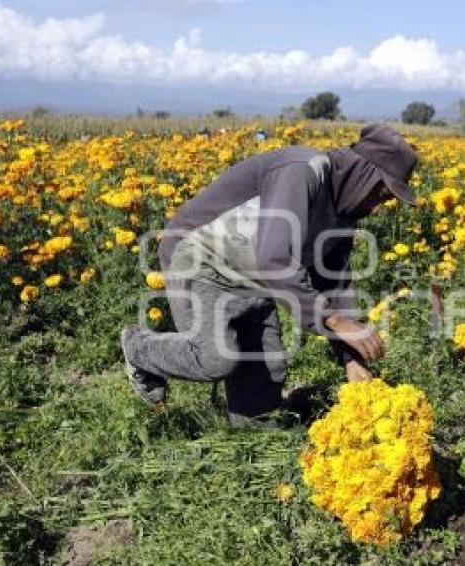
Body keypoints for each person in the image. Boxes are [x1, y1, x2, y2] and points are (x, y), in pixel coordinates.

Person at [120, 124, 418, 424]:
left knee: (262, 394)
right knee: (216, 357)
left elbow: (333, 287)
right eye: (382, 192)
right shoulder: (302, 171)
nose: (379, 206)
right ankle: (137, 348)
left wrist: (350, 358)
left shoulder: (344, 216)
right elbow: (275, 258)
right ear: (363, 171)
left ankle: (245, 447)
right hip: (198, 258)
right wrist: (335, 321)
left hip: (251, 278)